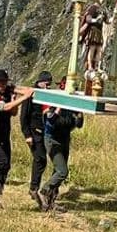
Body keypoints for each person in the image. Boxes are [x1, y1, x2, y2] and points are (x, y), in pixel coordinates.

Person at [0, 69, 32, 204]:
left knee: (6, 165)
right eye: (0, 83)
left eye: (4, 83)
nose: (3, 85)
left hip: (3, 135)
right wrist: (24, 97)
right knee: (2, 162)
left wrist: (15, 98)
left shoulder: (8, 93)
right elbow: (5, 107)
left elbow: (13, 112)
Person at [39, 77, 84, 212]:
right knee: (62, 171)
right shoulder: (53, 101)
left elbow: (79, 125)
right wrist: (60, 105)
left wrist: (79, 112)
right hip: (52, 139)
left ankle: (51, 201)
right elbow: (50, 122)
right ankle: (44, 191)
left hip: (65, 138)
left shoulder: (73, 105)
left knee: (56, 171)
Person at [20, 70, 52, 208]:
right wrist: (27, 134)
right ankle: (33, 188)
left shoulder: (47, 95)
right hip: (34, 132)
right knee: (40, 159)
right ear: (41, 82)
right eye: (47, 83)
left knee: (41, 160)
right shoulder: (31, 94)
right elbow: (23, 116)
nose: (49, 86)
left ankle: (34, 188)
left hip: (43, 132)